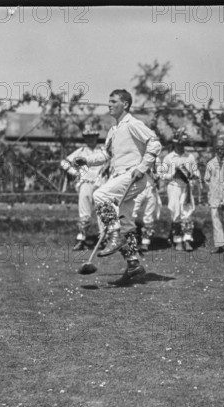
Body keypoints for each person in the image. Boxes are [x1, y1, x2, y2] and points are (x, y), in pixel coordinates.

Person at [77, 89, 161, 285]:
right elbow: (107, 155)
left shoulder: (133, 124)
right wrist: (86, 160)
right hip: (121, 176)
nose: (109, 104)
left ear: (125, 104)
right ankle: (133, 265)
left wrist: (142, 166)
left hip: (133, 175)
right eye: (108, 100)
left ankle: (114, 234)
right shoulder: (114, 130)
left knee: (100, 195)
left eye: (113, 101)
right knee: (126, 224)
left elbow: (155, 143)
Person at [60, 124, 108, 251]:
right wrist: (75, 173)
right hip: (86, 182)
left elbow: (111, 161)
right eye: (87, 137)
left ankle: (104, 239)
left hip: (101, 184)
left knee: (102, 211)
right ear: (84, 138)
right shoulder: (80, 151)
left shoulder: (102, 150)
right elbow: (64, 163)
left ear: (97, 137)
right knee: (84, 212)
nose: (90, 139)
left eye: (93, 136)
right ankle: (81, 239)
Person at [158, 127, 201, 251]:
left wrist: (194, 175)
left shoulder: (190, 157)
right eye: (178, 143)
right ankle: (177, 239)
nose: (180, 146)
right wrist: (172, 175)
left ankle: (187, 239)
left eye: (183, 144)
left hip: (186, 187)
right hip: (174, 187)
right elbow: (161, 175)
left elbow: (196, 171)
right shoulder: (169, 158)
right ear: (174, 143)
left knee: (186, 213)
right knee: (175, 212)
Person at [132, 168, 162, 251]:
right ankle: (131, 241)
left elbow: (159, 175)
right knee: (132, 213)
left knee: (149, 215)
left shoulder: (155, 160)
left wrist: (155, 176)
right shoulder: (136, 158)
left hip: (151, 188)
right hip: (137, 188)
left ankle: (145, 242)